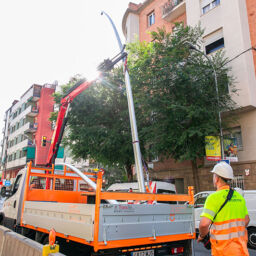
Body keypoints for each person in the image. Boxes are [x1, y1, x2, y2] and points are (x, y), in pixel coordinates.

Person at [197, 162, 250, 256]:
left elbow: (204, 224)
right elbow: (246, 220)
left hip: (223, 251)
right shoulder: (239, 197)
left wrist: (202, 236)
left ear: (217, 178)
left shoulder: (213, 198)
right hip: (241, 250)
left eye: (213, 175)